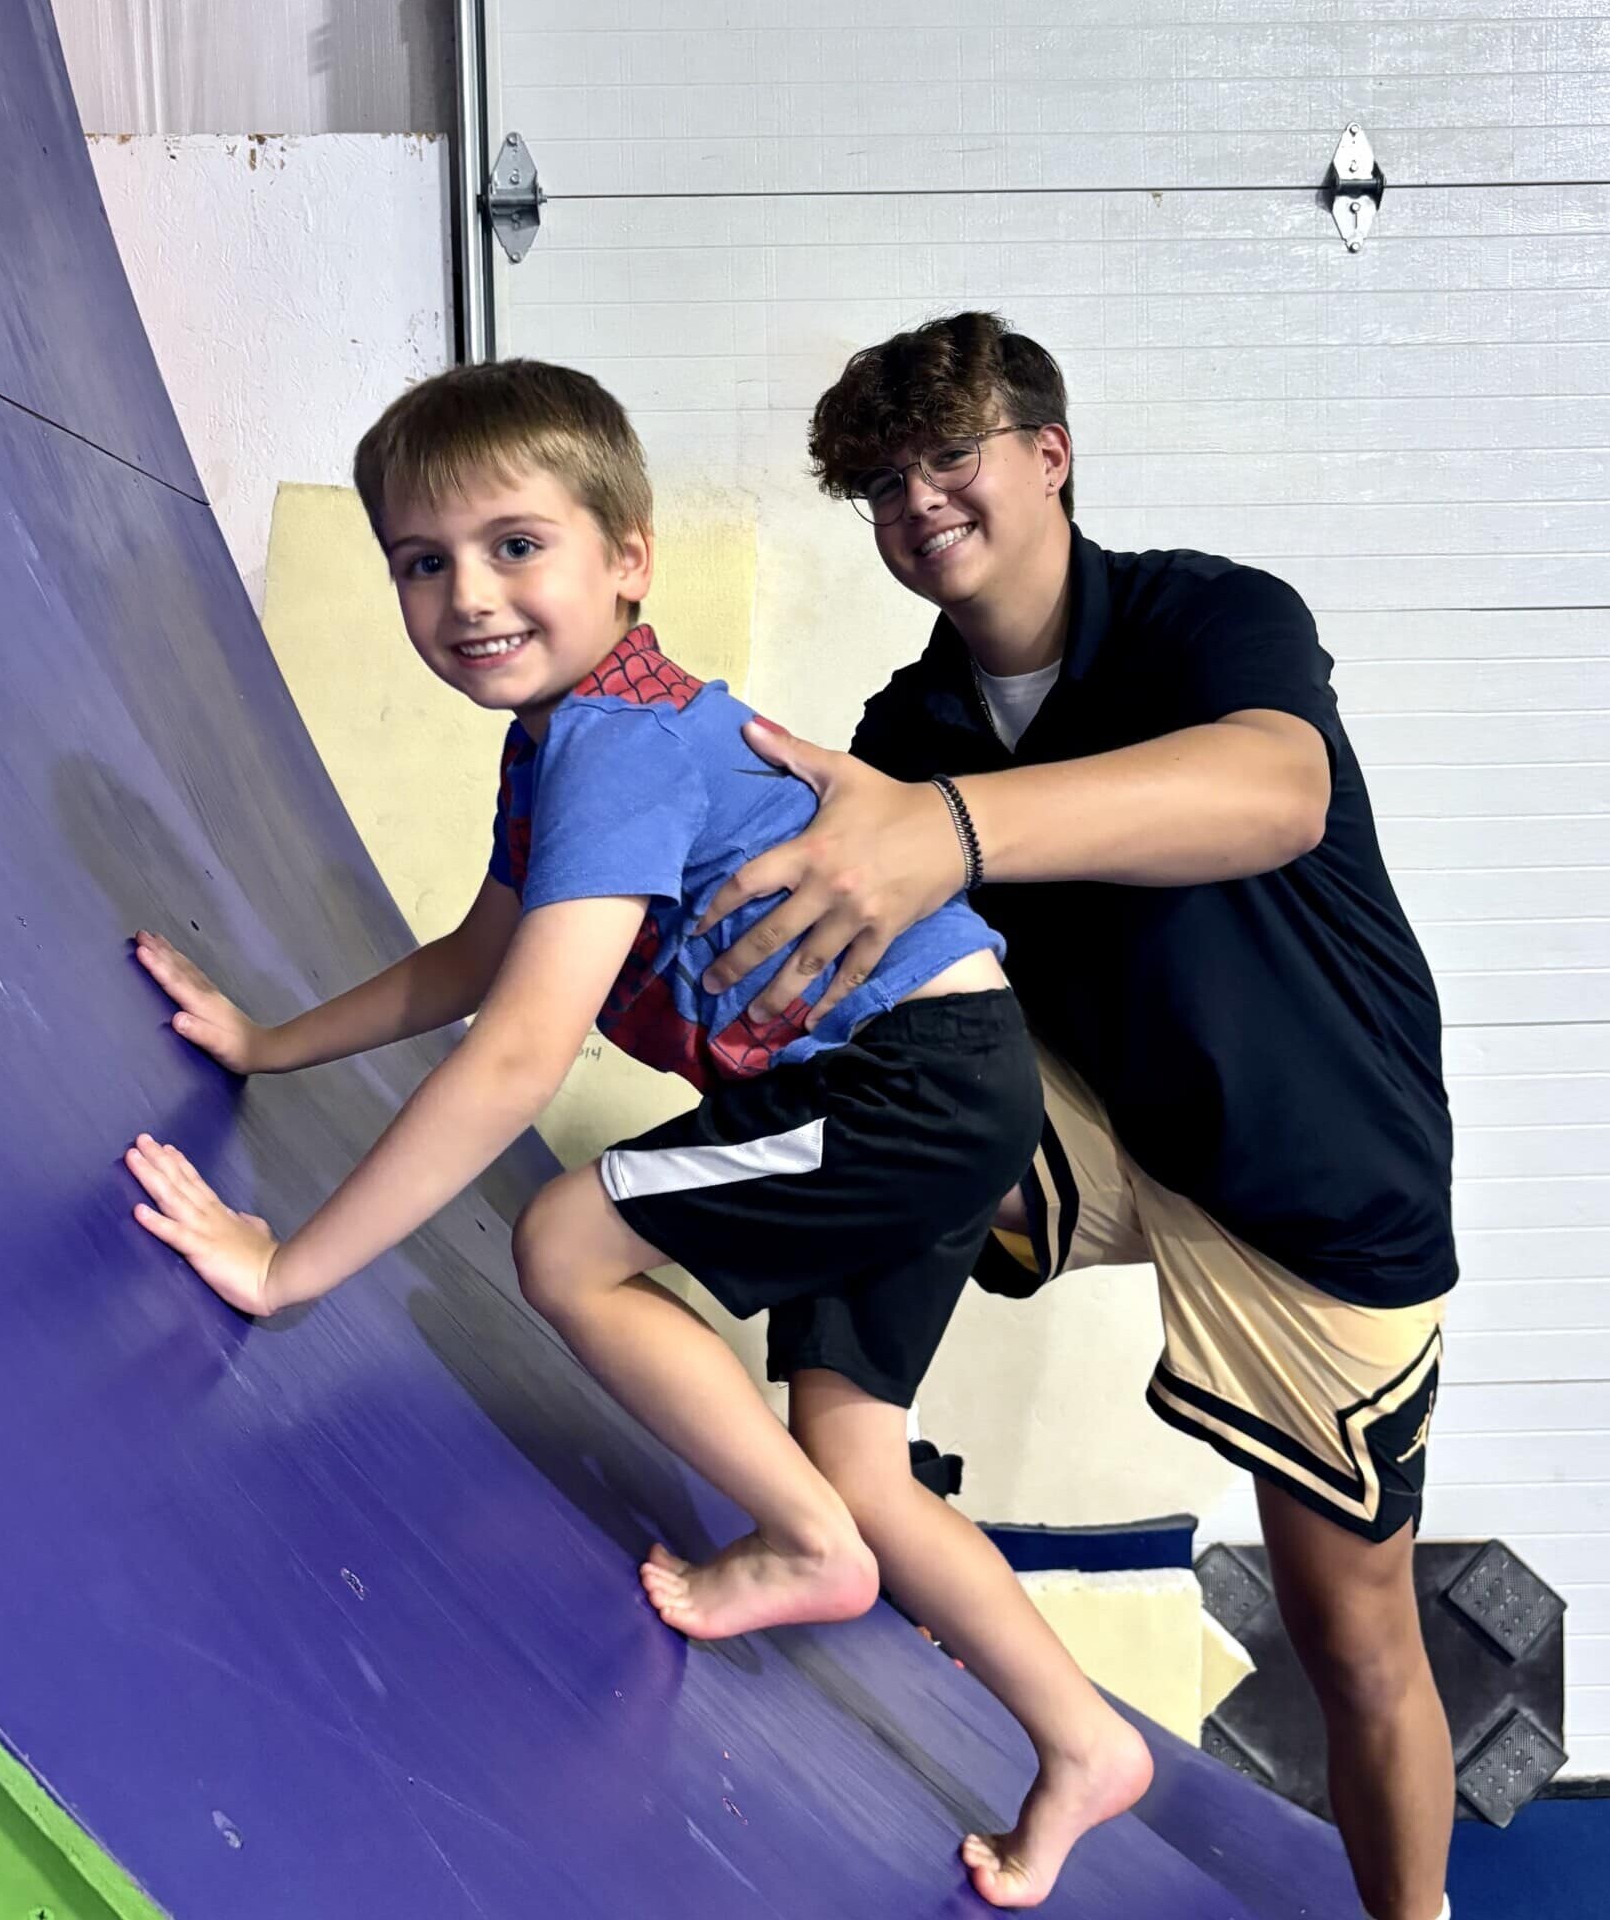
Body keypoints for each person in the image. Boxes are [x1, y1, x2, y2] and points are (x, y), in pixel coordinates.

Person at [125, 358, 1153, 1909]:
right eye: (422, 560)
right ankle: (1082, 1741)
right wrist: (271, 1040)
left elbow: (522, 1049)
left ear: (628, 560)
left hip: (908, 1077)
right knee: (860, 1456)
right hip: (948, 1066)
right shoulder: (572, 735)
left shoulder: (613, 741)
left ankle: (806, 1547)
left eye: (515, 545)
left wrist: (289, 1266)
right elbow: (479, 961)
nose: (467, 594)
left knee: (564, 1239)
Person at [695, 312, 1460, 1920]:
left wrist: (952, 835)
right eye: (886, 486)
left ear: (1049, 455)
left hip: (1316, 1174)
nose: (919, 505)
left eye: (951, 459)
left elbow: (1277, 792)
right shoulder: (909, 733)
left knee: (1353, 1633)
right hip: (1097, 1126)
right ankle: (843, 1502)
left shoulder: (1212, 615)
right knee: (852, 1085)